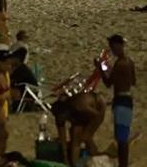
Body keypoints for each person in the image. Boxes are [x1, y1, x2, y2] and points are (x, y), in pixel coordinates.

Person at [98, 34, 137, 167]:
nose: (112, 49)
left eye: (113, 46)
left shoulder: (120, 64)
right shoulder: (129, 62)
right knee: (123, 136)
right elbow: (133, 81)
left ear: (119, 45)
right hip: (128, 99)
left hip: (120, 100)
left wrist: (101, 69)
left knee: (121, 139)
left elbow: (108, 83)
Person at [52, 91, 107, 167]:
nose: (62, 121)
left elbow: (97, 116)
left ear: (66, 113)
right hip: (79, 113)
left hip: (98, 106)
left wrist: (87, 131)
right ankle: (75, 164)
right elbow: (63, 140)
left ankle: (97, 159)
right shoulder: (59, 116)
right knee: (75, 139)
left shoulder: (78, 105)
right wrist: (65, 160)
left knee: (85, 137)